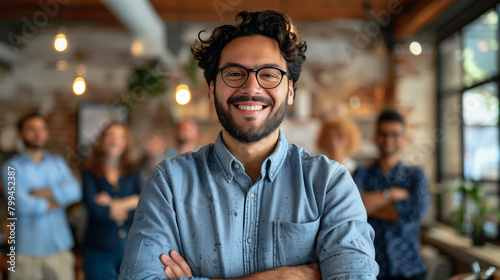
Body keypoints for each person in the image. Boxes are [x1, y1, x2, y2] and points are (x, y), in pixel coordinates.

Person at [119, 10, 378, 280]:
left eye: (268, 74)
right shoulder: (170, 183)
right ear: (211, 89)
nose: (251, 88)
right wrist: (282, 277)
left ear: (290, 91)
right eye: (234, 73)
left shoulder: (329, 184)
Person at [0, 112, 81, 280]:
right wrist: (58, 202)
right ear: (20, 134)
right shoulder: (10, 167)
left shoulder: (58, 163)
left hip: (59, 246)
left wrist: (42, 193)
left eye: (42, 128)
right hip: (26, 250)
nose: (38, 134)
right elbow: (21, 205)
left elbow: (75, 192)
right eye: (31, 129)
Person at [352, 110, 431, 280]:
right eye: (383, 134)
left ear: (404, 139)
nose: (388, 140)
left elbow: (416, 213)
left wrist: (371, 205)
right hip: (370, 268)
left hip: (410, 269)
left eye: (395, 135)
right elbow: (354, 210)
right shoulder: (362, 173)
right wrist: (390, 195)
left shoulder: (416, 176)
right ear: (375, 137)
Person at [82, 122, 142, 280]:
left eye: (121, 136)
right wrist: (130, 202)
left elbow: (142, 208)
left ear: (126, 143)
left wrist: (111, 204)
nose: (115, 139)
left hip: (130, 249)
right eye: (110, 134)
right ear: (102, 140)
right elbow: (96, 211)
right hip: (99, 249)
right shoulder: (89, 173)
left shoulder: (134, 172)